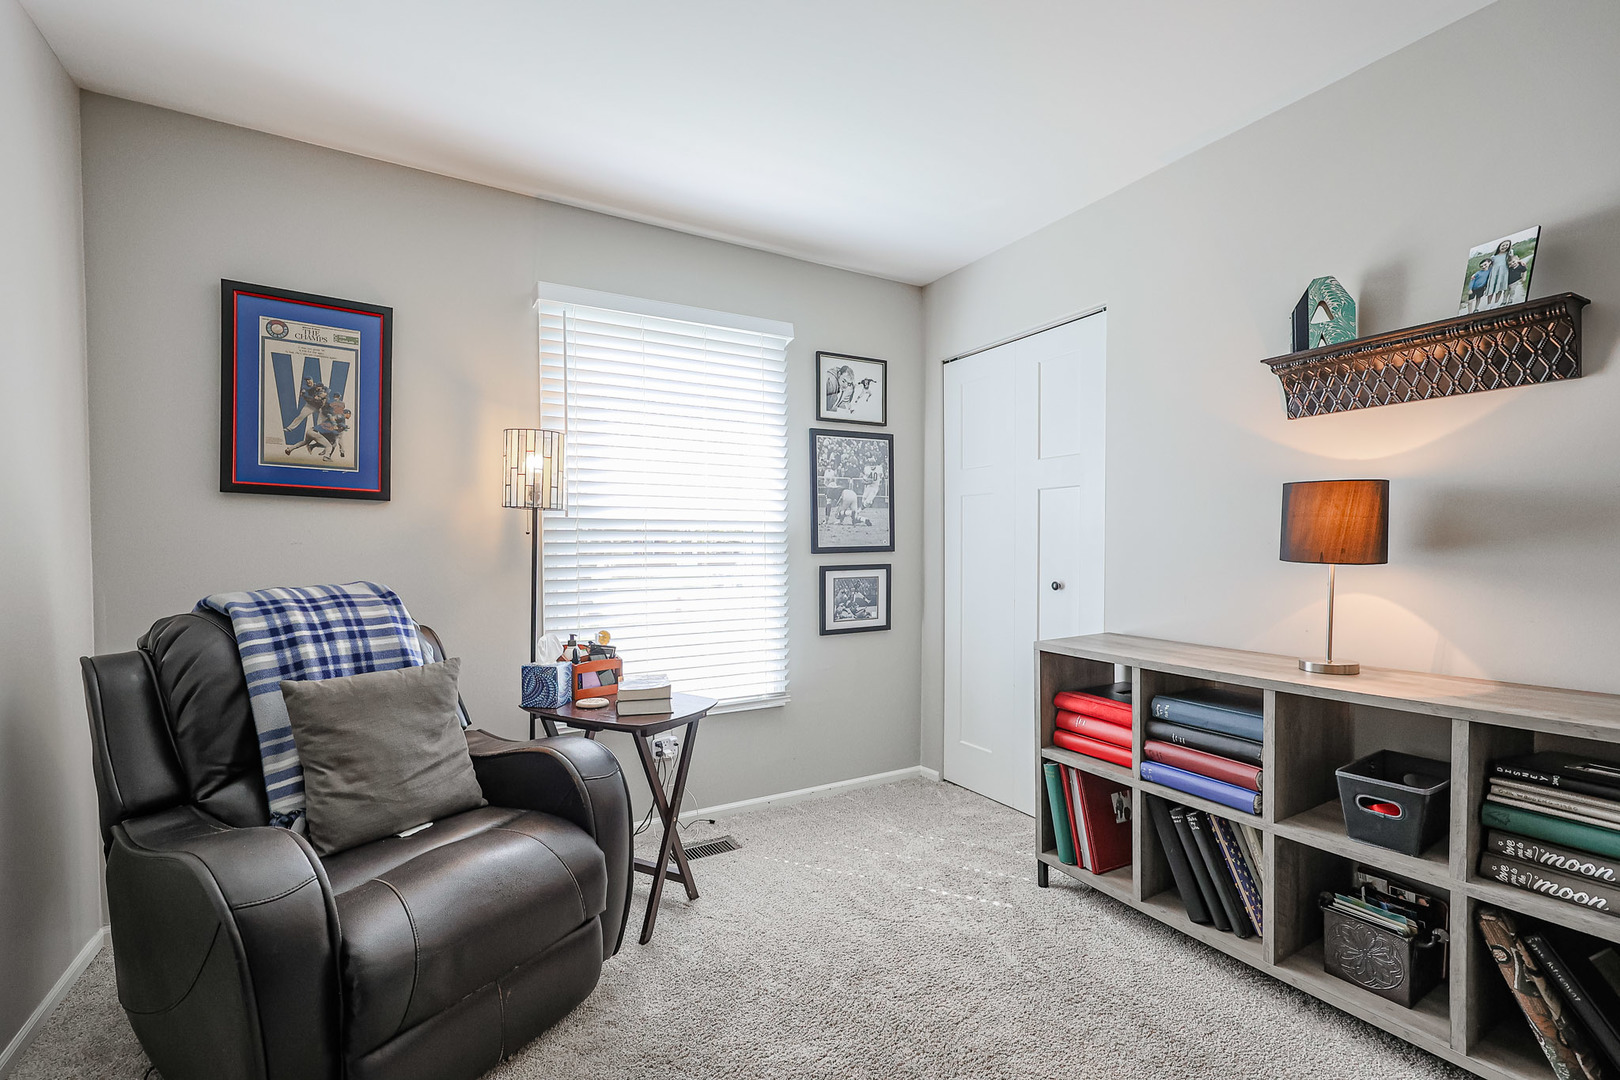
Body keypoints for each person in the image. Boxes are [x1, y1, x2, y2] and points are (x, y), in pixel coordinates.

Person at [1482, 239, 1513, 309]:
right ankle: (1489, 304)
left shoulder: (1508, 254)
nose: (1504, 247)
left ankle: (1496, 303)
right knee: (1491, 288)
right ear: (1499, 246)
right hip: (1494, 273)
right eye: (1503, 245)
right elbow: (1487, 266)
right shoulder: (1493, 257)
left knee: (1499, 288)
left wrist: (1515, 258)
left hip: (1503, 273)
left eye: (1506, 245)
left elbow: (1513, 260)